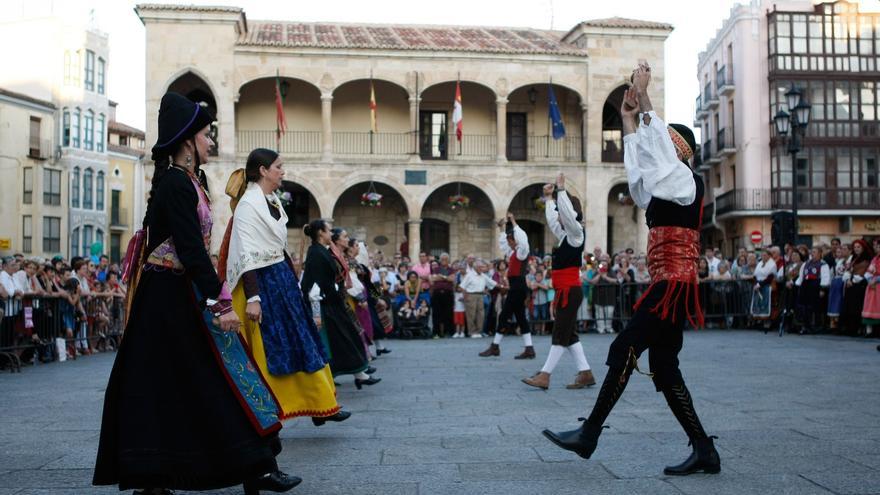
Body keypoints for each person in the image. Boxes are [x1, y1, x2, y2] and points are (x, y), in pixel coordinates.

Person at [94, 92, 299, 494]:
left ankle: (254, 466)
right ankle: (162, 477)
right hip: (167, 300)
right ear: (188, 140)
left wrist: (211, 293)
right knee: (188, 381)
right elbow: (189, 250)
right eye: (207, 135)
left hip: (180, 293)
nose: (210, 142)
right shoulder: (175, 184)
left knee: (206, 379)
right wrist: (221, 300)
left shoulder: (192, 181)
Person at [543, 63, 720, 476]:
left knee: (625, 348)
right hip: (667, 283)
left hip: (673, 284)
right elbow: (641, 171)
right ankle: (704, 450)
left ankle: (589, 433)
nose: (658, 146)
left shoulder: (685, 181)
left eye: (666, 143)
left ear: (680, 151)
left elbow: (658, 152)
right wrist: (628, 117)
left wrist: (645, 101)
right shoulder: (664, 184)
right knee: (663, 365)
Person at [220, 148, 349, 426]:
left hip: (282, 279)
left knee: (303, 337)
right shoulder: (248, 206)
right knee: (275, 348)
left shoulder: (271, 200)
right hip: (262, 283)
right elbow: (246, 254)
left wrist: (293, 279)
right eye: (278, 166)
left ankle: (321, 403)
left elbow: (278, 247)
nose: (283, 171)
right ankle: (277, 408)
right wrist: (253, 297)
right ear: (263, 170)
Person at [523, 174, 596, 390]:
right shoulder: (566, 236)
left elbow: (566, 216)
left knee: (560, 334)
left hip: (570, 291)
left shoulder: (576, 234)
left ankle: (545, 375)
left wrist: (561, 192)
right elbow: (554, 220)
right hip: (566, 291)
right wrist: (549, 198)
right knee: (569, 333)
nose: (559, 217)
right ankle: (585, 373)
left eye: (564, 214)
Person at [299, 220, 379, 389]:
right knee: (334, 343)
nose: (330, 234)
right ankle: (332, 381)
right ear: (321, 233)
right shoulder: (316, 253)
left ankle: (360, 374)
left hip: (333, 303)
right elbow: (314, 286)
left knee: (346, 338)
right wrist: (316, 314)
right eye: (328, 231)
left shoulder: (322, 251)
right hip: (325, 307)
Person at [479, 213, 533, 358]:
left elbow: (523, 240)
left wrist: (513, 221)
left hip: (518, 287)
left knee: (504, 316)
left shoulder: (522, 252)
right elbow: (503, 245)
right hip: (517, 287)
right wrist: (502, 228)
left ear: (515, 240)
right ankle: (529, 349)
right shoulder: (513, 252)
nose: (508, 243)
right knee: (521, 317)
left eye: (510, 241)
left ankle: (495, 346)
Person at [862, 239, 880, 336]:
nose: (876, 248)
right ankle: (869, 330)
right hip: (872, 287)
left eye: (878, 246)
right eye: (875, 246)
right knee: (870, 306)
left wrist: (876, 279)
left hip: (878, 285)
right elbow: (868, 271)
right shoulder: (874, 259)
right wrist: (869, 280)